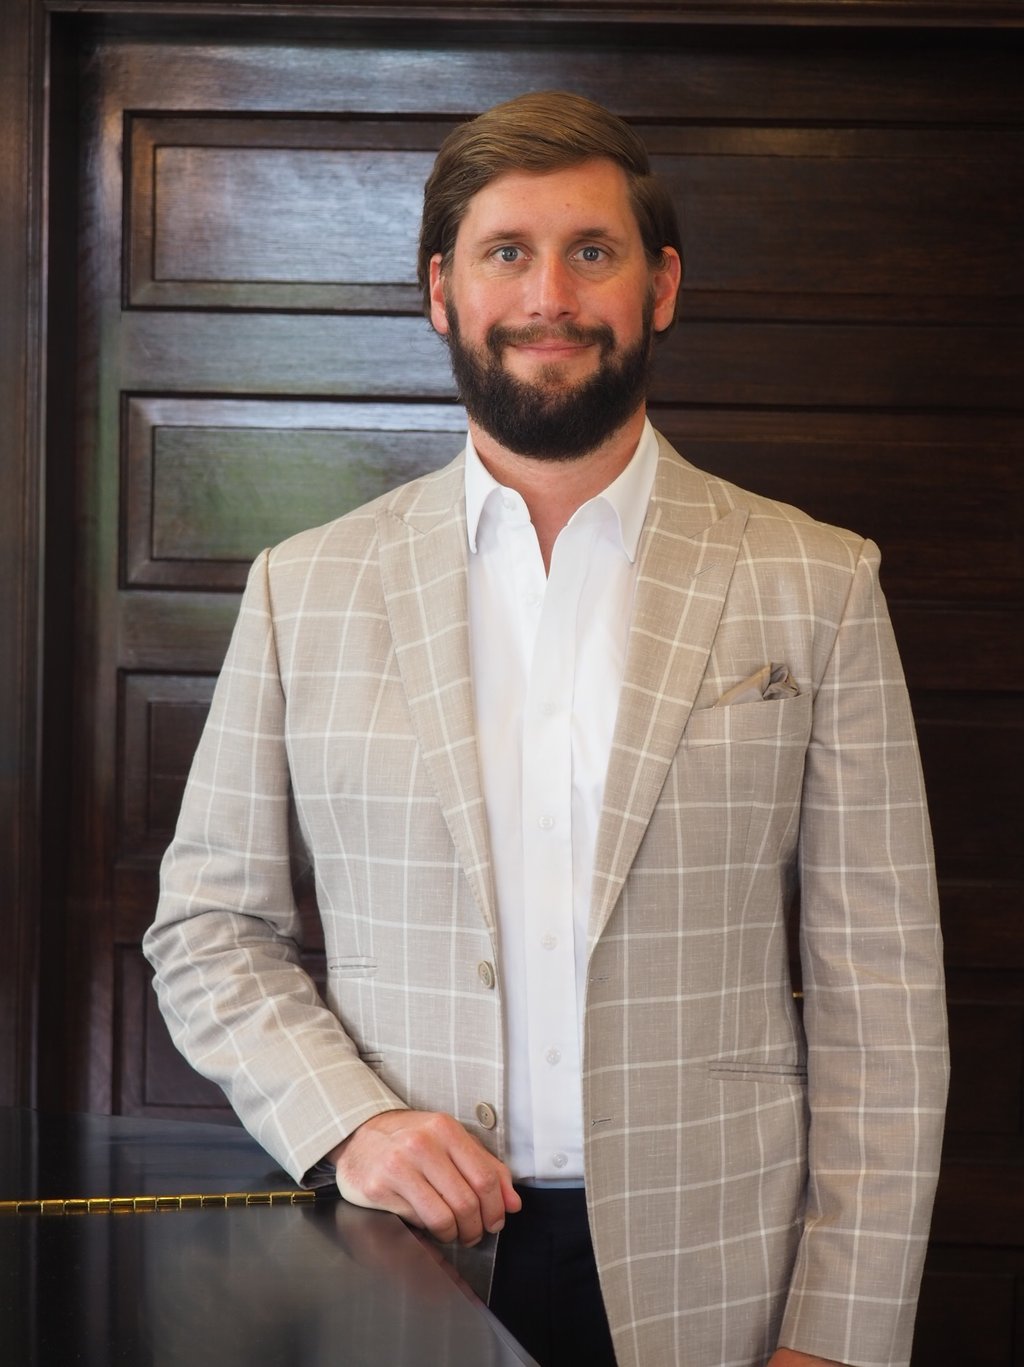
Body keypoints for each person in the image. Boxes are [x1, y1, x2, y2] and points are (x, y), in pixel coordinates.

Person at [144, 91, 949, 1367]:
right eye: (507, 252)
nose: (549, 296)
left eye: (592, 251)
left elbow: (883, 993)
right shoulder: (305, 587)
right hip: (398, 1264)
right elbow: (207, 930)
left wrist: (841, 1333)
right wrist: (350, 1123)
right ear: (441, 291)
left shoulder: (819, 580)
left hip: (722, 1279)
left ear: (660, 285)